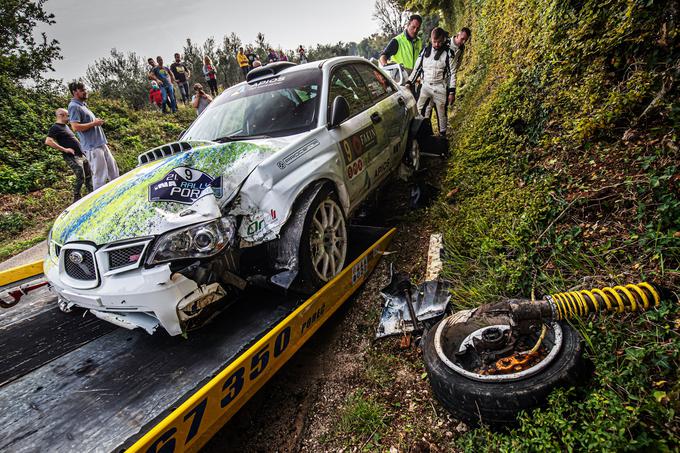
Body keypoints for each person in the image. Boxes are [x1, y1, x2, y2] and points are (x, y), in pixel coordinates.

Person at [407, 27, 471, 136]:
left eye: (439, 42)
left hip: (440, 86)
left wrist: (452, 92)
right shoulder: (425, 51)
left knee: (441, 112)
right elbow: (417, 69)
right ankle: (424, 135)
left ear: (443, 40)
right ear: (431, 39)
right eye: (434, 41)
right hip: (425, 85)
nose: (436, 44)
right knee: (421, 110)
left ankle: (442, 136)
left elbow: (452, 73)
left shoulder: (449, 53)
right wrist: (409, 83)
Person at [67, 81, 119, 190]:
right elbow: (75, 127)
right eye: (82, 90)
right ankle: (99, 200)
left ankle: (119, 191)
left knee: (113, 170)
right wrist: (94, 123)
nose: (85, 92)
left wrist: (95, 122)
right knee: (100, 176)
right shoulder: (74, 106)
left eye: (85, 89)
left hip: (100, 143)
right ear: (74, 92)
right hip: (92, 146)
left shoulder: (83, 105)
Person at [45, 108, 93, 202]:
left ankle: (91, 193)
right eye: (68, 115)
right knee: (80, 176)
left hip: (81, 154)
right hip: (72, 157)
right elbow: (48, 141)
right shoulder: (55, 127)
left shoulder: (66, 126)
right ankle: (76, 198)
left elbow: (72, 139)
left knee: (88, 175)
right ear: (61, 115)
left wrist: (83, 150)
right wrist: (65, 149)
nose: (70, 117)